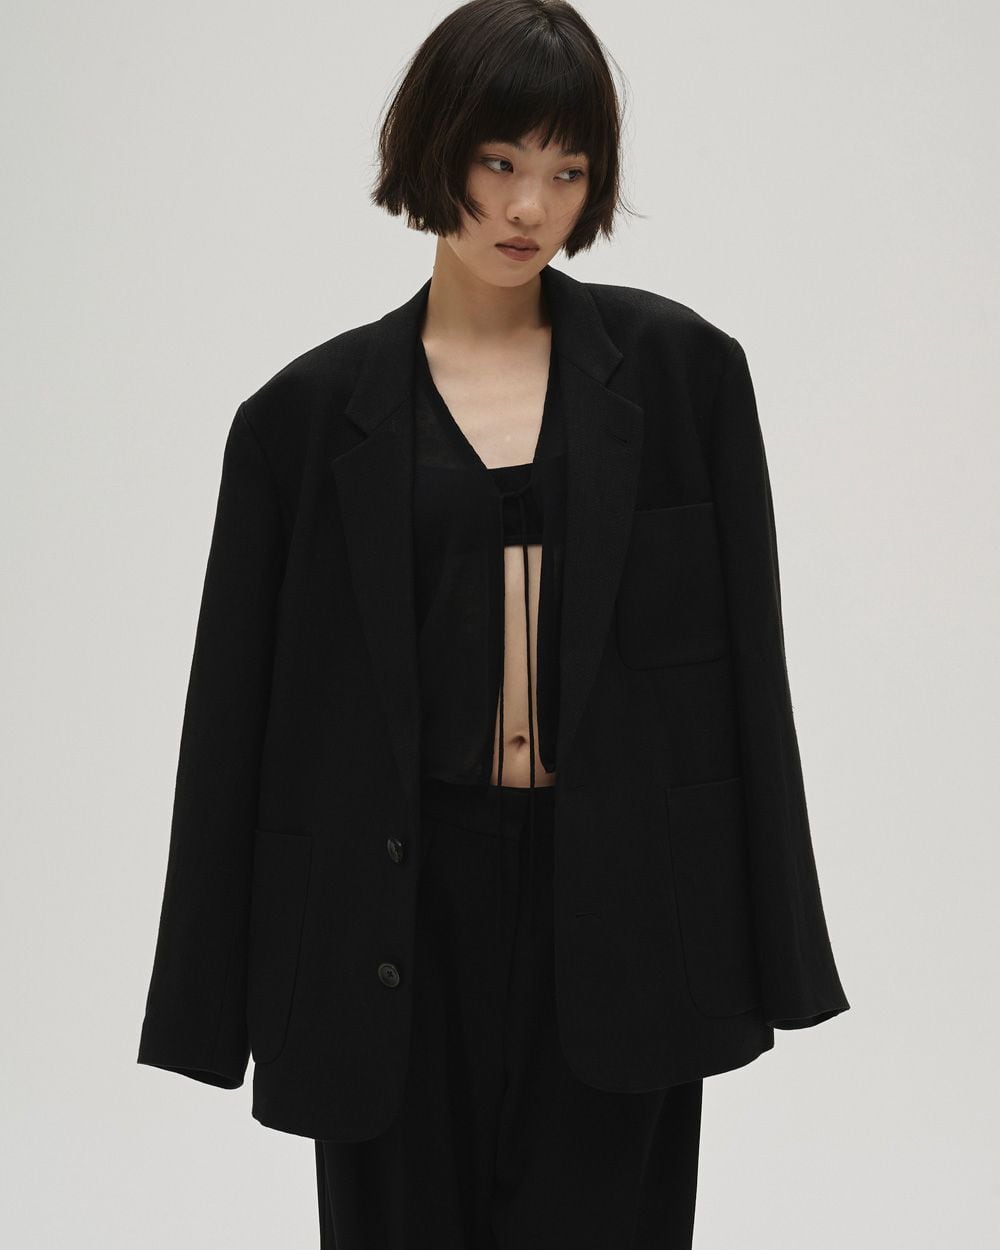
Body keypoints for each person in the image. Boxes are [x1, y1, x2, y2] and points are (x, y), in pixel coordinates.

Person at [137, 2, 850, 1246]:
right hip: (388, 910)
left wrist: (781, 952)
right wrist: (203, 1007)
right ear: (435, 151)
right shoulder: (300, 422)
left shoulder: (683, 377)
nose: (530, 207)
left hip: (623, 907)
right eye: (500, 161)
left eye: (567, 172)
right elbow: (231, 726)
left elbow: (752, 684)